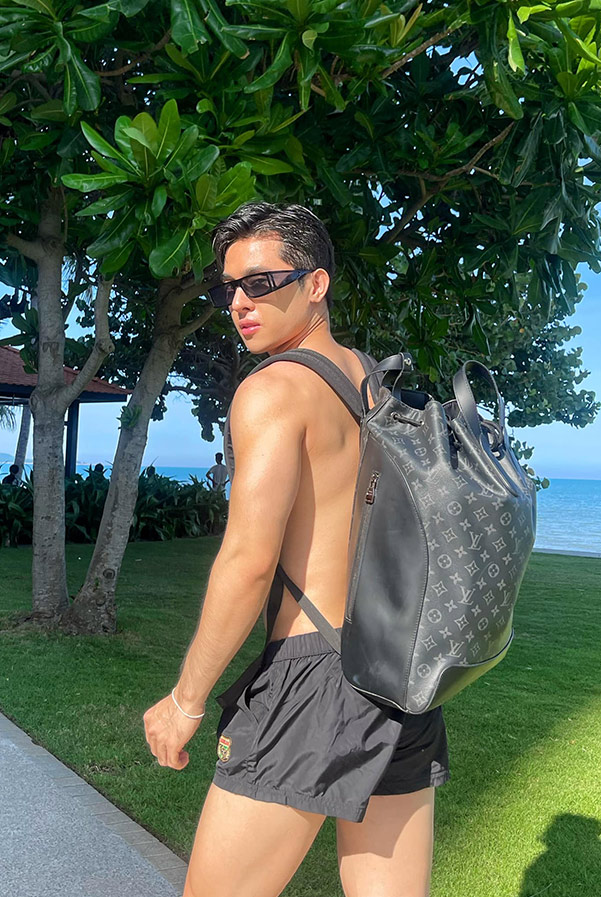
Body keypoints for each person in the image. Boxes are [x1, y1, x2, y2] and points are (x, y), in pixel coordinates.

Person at [143, 202, 450, 897]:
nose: (238, 304)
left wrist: (186, 701)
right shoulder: (375, 383)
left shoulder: (272, 391)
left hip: (313, 677)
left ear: (316, 284)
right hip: (400, 671)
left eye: (260, 283)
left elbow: (249, 561)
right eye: (228, 288)